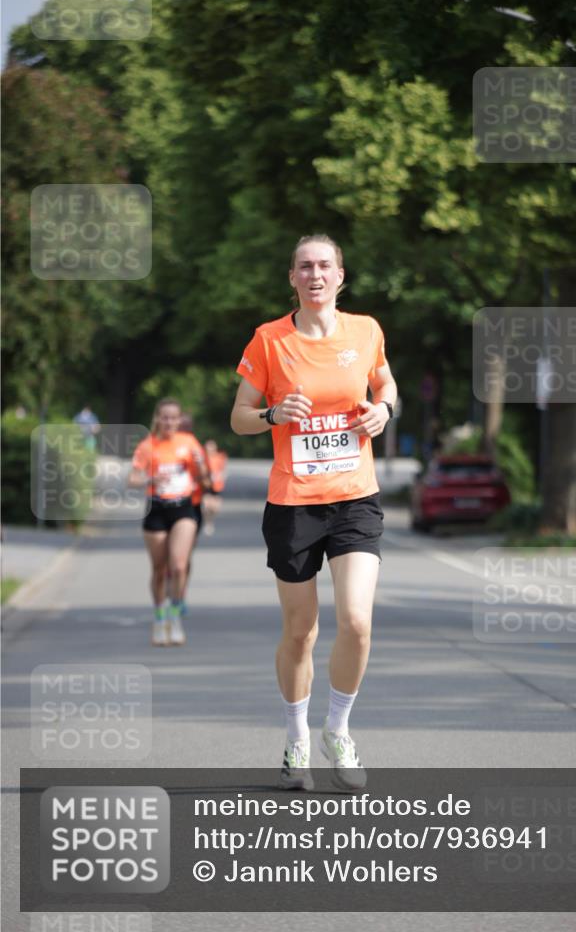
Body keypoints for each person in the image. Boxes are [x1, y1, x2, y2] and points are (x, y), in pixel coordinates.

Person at [231, 234, 397, 791]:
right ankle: (296, 738)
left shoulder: (366, 330)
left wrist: (385, 410)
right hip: (294, 502)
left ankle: (339, 730)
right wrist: (275, 412)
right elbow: (240, 418)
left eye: (325, 265)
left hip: (354, 497)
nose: (316, 274)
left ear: (341, 277)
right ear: (293, 279)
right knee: (301, 632)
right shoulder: (269, 340)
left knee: (356, 621)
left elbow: (385, 380)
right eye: (306, 266)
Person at [128, 398, 210, 647]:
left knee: (178, 565)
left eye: (173, 417)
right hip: (156, 510)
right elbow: (132, 479)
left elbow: (205, 481)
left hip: (183, 508)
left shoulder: (188, 442)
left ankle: (175, 618)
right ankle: (159, 618)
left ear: (179, 420)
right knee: (159, 570)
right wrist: (146, 478)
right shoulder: (147, 446)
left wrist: (198, 465)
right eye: (164, 417)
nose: (169, 422)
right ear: (157, 418)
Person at [202, 440, 228, 536]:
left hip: (217, 485)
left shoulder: (220, 457)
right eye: (208, 448)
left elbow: (223, 470)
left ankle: (210, 520)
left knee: (215, 508)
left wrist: (221, 476)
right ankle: (208, 523)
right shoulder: (203, 458)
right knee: (206, 506)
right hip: (206, 485)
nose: (210, 450)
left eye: (212, 447)